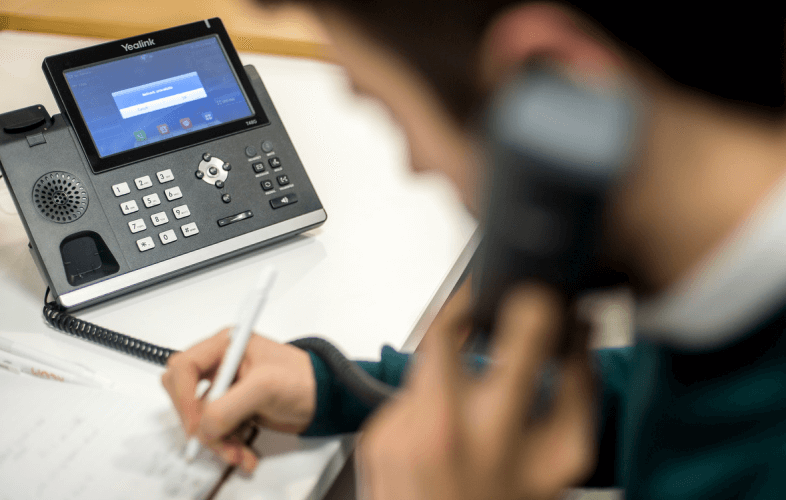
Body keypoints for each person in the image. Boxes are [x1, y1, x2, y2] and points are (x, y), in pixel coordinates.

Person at [162, 2, 786, 498]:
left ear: (563, 84)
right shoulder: (712, 296)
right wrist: (354, 389)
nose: (418, 164)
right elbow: (641, 408)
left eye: (393, 113)